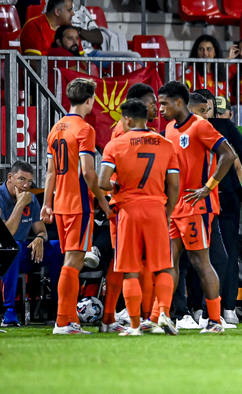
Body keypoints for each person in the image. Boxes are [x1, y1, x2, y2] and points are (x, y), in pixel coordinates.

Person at [149, 81, 237, 334]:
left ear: (179, 102)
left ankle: (215, 320)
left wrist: (208, 187)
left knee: (201, 262)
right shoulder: (168, 129)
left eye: (164, 103)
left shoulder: (200, 126)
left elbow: (228, 155)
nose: (160, 108)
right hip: (176, 206)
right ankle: (161, 316)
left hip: (196, 206)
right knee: (168, 261)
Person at [98, 99, 180, 336]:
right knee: (164, 267)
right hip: (156, 209)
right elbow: (173, 185)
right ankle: (163, 313)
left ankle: (134, 326)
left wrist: (116, 187)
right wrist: (168, 211)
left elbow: (103, 182)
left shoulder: (115, 145)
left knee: (130, 270)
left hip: (129, 211)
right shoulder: (165, 144)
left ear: (128, 119)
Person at [178, 92, 242, 329]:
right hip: (221, 195)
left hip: (195, 198)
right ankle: (227, 309)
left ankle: (194, 310)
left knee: (193, 256)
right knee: (225, 254)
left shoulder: (178, 129)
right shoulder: (221, 126)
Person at [41, 78, 111, 335]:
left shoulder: (56, 128)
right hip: (79, 204)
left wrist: (46, 204)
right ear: (90, 100)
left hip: (59, 204)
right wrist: (102, 199)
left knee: (70, 260)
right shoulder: (85, 129)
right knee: (73, 262)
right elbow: (88, 172)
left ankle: (70, 320)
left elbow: (50, 172)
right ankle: (62, 322)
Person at [96, 83, 159, 334]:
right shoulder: (127, 133)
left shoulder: (120, 130)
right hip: (131, 206)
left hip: (122, 205)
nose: (157, 107)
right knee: (135, 263)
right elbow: (112, 176)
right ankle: (140, 318)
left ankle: (111, 318)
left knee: (121, 262)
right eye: (153, 102)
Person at [0, 162, 62, 327]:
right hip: (3, 255)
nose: (25, 185)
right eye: (21, 179)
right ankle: (9, 311)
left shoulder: (31, 199)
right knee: (15, 247)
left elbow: (41, 231)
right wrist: (20, 204)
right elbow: (7, 236)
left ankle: (58, 309)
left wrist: (40, 239)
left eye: (29, 181)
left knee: (58, 248)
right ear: (10, 177)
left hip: (22, 254)